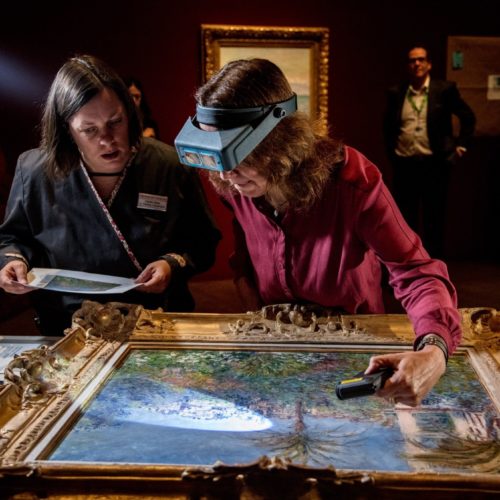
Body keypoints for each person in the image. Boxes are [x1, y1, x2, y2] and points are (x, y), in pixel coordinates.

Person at [175, 58, 462, 407]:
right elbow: (246, 256)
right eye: (215, 155)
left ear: (281, 138)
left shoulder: (352, 181)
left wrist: (434, 351)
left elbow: (417, 272)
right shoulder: (236, 183)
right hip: (275, 348)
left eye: (239, 152)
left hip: (354, 348)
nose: (228, 173)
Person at [0, 55, 221, 335]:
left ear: (130, 112)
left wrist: (171, 264)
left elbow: (203, 241)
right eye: (89, 130)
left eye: (115, 122)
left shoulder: (170, 165)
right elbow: (13, 238)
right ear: (66, 129)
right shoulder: (33, 170)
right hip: (67, 327)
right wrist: (13, 262)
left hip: (157, 320)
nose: (107, 139)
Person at [383, 46, 476, 258]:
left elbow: (468, 117)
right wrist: (393, 154)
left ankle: (434, 271)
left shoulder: (444, 90)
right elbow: (387, 128)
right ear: (408, 65)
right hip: (405, 165)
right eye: (412, 60)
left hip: (435, 165)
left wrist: (460, 147)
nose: (416, 64)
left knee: (434, 219)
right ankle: (409, 268)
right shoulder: (396, 93)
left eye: (421, 59)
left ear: (429, 64)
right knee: (405, 220)